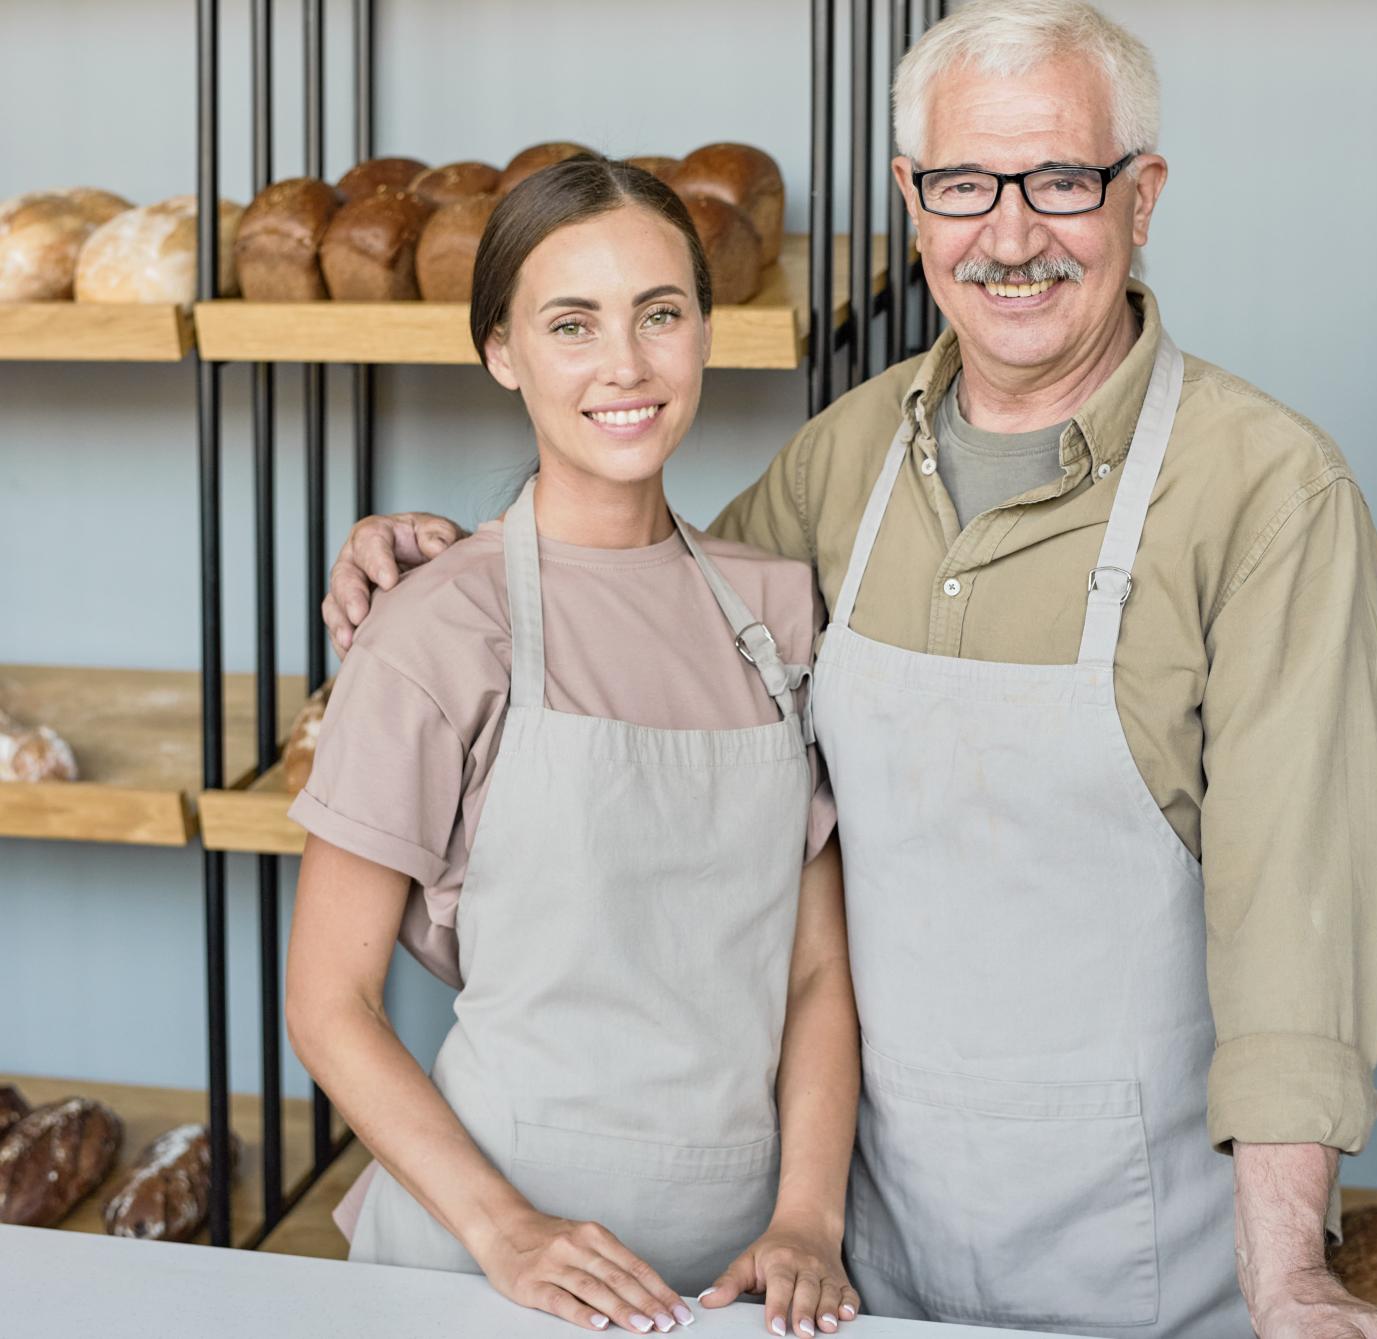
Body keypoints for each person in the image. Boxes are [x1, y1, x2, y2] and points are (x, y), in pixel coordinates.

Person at [324, 5, 1377, 1337]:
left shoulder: (1268, 494)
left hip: (1143, 1249)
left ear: (1143, 199)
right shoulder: (840, 464)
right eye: (965, 184)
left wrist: (1290, 1273)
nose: (1010, 235)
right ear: (915, 207)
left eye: (1063, 182)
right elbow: (631, 612)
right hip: (853, 1260)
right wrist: (443, 562)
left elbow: (1301, 914)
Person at [286, 157, 862, 1339]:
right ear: (502, 350)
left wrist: (808, 1216)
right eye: (572, 324)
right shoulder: (437, 624)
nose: (627, 366)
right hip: (478, 1261)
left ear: (707, 329)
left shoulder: (777, 610)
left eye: (662, 315)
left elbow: (812, 972)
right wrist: (505, 1228)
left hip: (736, 1274)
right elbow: (327, 1000)